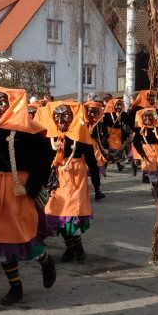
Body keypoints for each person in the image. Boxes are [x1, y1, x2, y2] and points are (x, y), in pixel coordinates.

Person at [0, 88, 56, 305]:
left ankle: (44, 259)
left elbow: (43, 162)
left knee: (23, 237)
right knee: (0, 242)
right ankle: (15, 287)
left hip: (18, 192)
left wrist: (31, 188)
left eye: (1, 103)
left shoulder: (28, 132)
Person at [41, 100, 98, 263]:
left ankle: (76, 248)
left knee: (71, 214)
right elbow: (43, 159)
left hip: (75, 177)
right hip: (57, 179)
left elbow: (92, 160)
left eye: (65, 116)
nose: (61, 121)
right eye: (57, 116)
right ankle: (72, 248)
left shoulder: (80, 135)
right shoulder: (50, 136)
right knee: (57, 214)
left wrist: (96, 184)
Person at [82, 98, 108, 199]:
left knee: (95, 168)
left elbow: (103, 135)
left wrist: (103, 145)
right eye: (90, 111)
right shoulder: (82, 122)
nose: (92, 113)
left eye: (94, 111)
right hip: (82, 146)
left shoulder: (100, 123)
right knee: (83, 169)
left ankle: (97, 190)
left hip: (94, 146)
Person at [132, 107, 158, 188]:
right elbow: (136, 142)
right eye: (145, 117)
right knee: (151, 167)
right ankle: (154, 183)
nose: (148, 119)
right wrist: (141, 153)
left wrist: (154, 113)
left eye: (150, 117)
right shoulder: (140, 130)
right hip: (147, 151)